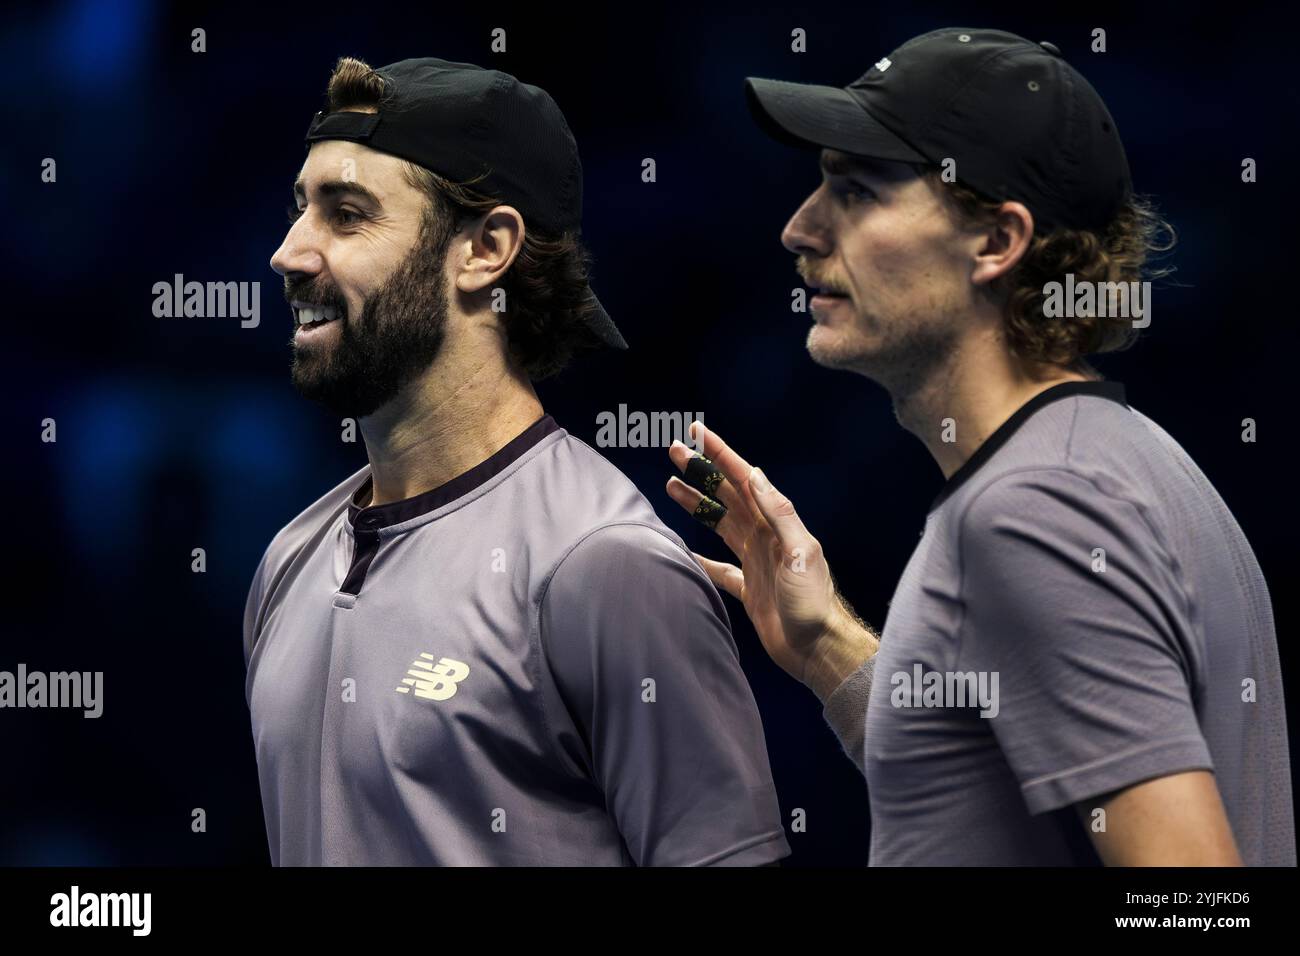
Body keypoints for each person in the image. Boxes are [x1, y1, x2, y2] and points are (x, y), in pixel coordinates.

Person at [664, 28, 1294, 865]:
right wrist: (827, 647)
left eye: (856, 192)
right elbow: (996, 789)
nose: (799, 229)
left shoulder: (1034, 510)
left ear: (997, 242)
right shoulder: (1116, 455)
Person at [243, 55, 789, 866]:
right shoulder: (289, 557)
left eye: (346, 215)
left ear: (486, 249)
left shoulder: (602, 563)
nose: (289, 253)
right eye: (300, 210)